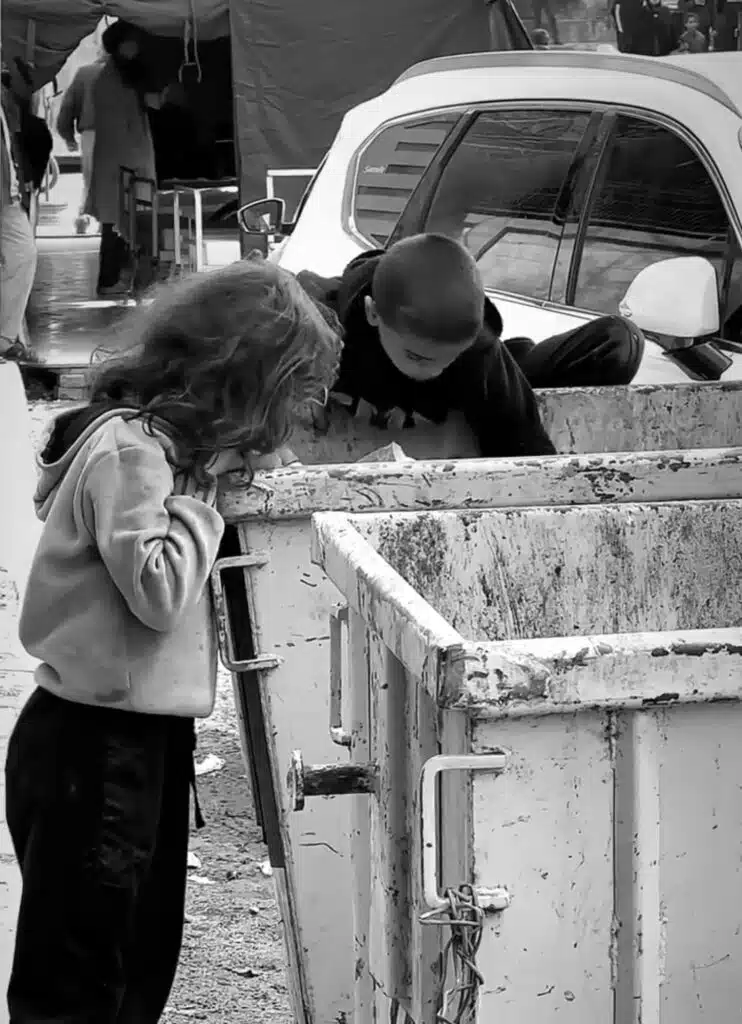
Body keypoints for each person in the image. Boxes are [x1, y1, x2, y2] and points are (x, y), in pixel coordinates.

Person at [5, 257, 341, 1024]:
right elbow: (157, 590)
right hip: (93, 745)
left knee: (138, 954)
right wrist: (206, 496)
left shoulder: (162, 452)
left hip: (140, 738)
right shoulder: (133, 453)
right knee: (79, 976)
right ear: (236, 388)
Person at [299, 234, 643, 457]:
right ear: (373, 314)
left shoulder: (479, 354)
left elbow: (524, 447)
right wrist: (298, 388)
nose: (433, 370)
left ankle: (518, 355)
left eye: (448, 359)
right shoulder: (317, 328)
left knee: (616, 347)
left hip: (474, 385)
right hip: (360, 401)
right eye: (418, 356)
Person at [85, 21, 159, 296]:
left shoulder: (119, 75)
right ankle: (110, 280)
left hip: (123, 161)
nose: (136, 47)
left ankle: (117, 279)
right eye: (131, 42)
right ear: (119, 45)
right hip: (122, 162)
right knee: (116, 224)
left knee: (118, 222)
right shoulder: (113, 80)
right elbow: (122, 127)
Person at [0, 79, 37, 361]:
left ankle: (4, 337)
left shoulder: (5, 96)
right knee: (19, 255)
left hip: (8, 195)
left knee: (22, 255)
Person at [56, 55, 106, 234]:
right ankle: (108, 223)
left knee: (90, 179)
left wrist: (68, 136)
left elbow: (68, 107)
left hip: (91, 134)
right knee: (118, 178)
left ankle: (84, 217)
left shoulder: (85, 73)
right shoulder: (125, 72)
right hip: (123, 134)